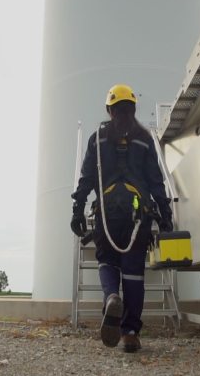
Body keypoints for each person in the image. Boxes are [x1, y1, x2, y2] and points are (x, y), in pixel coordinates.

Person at [70, 84, 173, 353]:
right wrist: (165, 215)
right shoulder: (144, 138)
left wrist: (78, 209)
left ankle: (111, 296)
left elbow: (87, 177)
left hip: (107, 213)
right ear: (133, 108)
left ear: (109, 109)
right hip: (139, 215)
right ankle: (129, 333)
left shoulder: (97, 137)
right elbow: (156, 181)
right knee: (134, 272)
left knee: (107, 261)